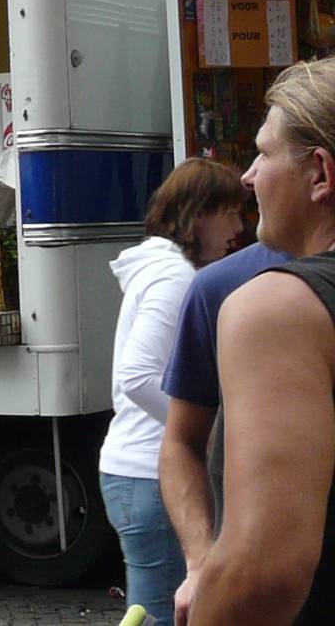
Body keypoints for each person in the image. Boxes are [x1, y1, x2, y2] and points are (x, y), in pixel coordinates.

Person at [183, 59, 335, 625]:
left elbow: (265, 570)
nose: (247, 177)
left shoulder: (278, 308)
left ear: (320, 173)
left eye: (264, 153)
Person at [97, 159, 246, 626]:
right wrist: (207, 429)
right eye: (231, 213)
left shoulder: (167, 271)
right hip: (151, 473)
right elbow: (137, 375)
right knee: (160, 616)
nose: (239, 228)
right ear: (198, 214)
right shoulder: (174, 277)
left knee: (155, 611)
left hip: (138, 470)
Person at [158, 237, 290, 594]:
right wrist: (201, 562)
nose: (249, 178)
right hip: (260, 585)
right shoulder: (219, 285)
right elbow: (181, 441)